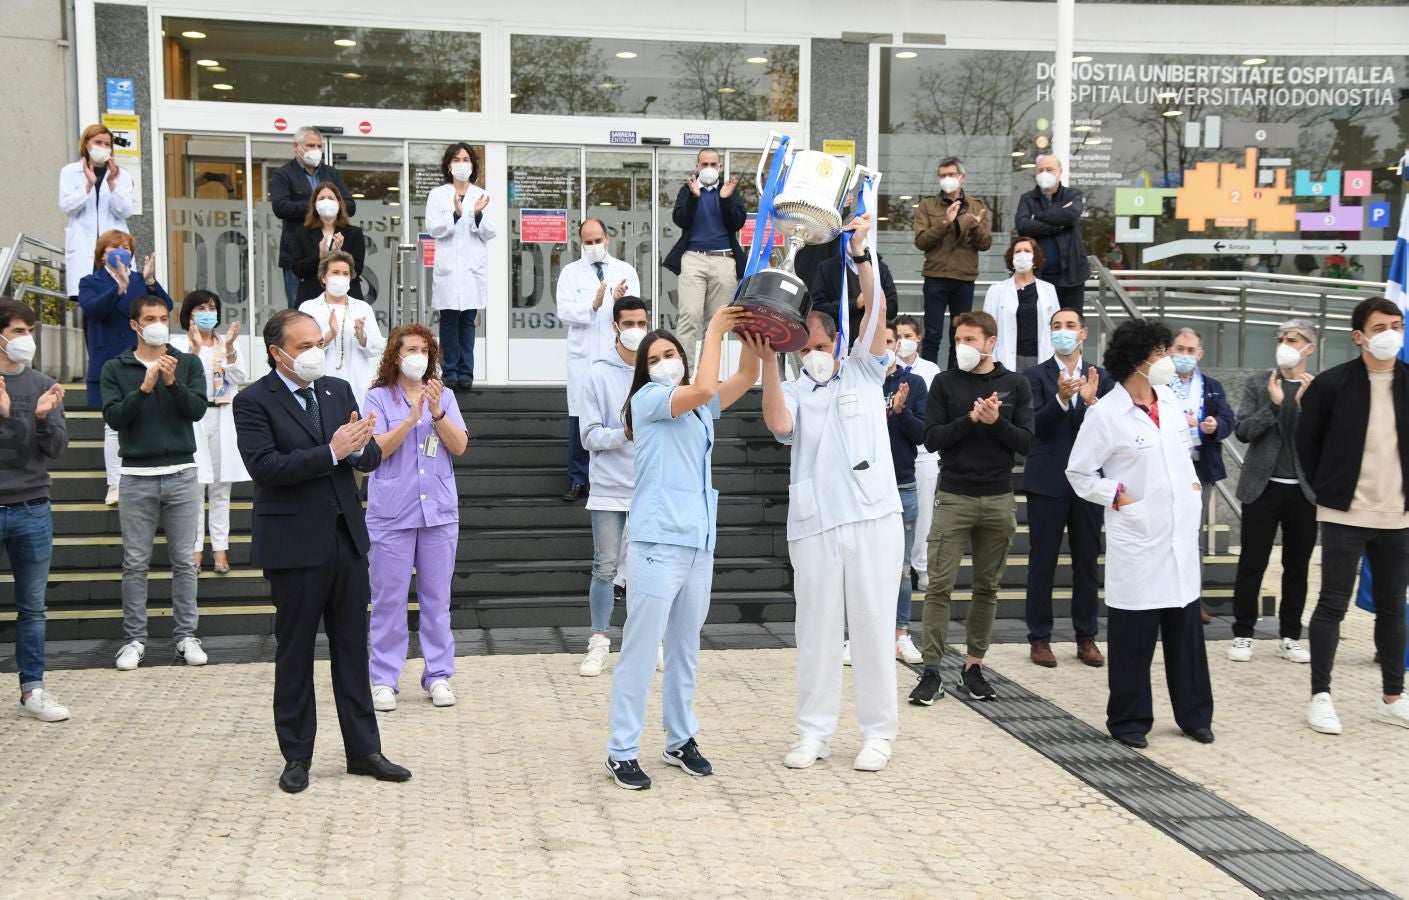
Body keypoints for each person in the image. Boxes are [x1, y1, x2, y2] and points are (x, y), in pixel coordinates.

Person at [233, 309, 410, 793]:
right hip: (293, 545)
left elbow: (369, 455)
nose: (316, 352)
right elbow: (265, 467)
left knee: (354, 649)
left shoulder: (336, 390)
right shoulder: (253, 401)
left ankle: (364, 750)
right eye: (305, 345)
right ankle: (296, 755)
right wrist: (331, 452)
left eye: (319, 343)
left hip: (346, 539)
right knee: (295, 653)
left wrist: (355, 448)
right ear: (278, 353)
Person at [757, 214, 904, 773]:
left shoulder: (865, 370)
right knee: (816, 633)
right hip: (816, 524)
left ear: (840, 340)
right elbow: (779, 425)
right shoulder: (794, 386)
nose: (816, 352)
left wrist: (861, 254)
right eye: (808, 345)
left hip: (872, 520)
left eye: (824, 342)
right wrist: (769, 358)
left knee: (870, 627)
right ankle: (813, 732)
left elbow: (877, 310)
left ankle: (877, 734)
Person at [604, 304, 760, 790]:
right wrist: (714, 329)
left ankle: (679, 739)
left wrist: (761, 341)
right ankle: (621, 749)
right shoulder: (650, 400)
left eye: (671, 354)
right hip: (655, 540)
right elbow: (707, 386)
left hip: (698, 540)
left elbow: (743, 377)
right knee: (640, 647)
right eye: (655, 357)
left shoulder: (697, 409)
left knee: (685, 649)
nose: (665, 361)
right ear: (644, 370)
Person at [1066, 319, 1214, 749]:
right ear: (1137, 361)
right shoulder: (1106, 414)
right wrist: (1118, 497)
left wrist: (1190, 490)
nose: (1168, 360)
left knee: (1186, 632)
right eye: (1160, 353)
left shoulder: (1167, 401)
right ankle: (1129, 719)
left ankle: (1194, 714)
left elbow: (1179, 456)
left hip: (1178, 535)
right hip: (1139, 536)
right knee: (1134, 635)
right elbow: (1078, 473)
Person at [1295, 296, 1409, 734]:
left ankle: (1393, 697)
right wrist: (1329, 489)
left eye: (1396, 325)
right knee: (1332, 605)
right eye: (1380, 327)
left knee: (1394, 609)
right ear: (1359, 335)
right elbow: (1308, 443)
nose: (1390, 335)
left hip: (1397, 515)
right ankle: (1321, 696)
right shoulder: (1332, 384)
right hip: (1345, 513)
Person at [911, 310, 1033, 706]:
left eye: (970, 339)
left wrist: (996, 421)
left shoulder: (1015, 383)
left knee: (988, 587)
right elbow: (931, 439)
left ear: (990, 342)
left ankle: (974, 666)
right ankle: (931, 672)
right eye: (958, 339)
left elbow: (1026, 442)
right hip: (953, 496)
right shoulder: (945, 383)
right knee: (939, 588)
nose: (962, 346)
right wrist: (971, 419)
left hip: (998, 497)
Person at [100, 295, 209, 672]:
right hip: (136, 477)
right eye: (150, 318)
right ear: (135, 324)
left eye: (163, 317)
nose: (158, 324)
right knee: (135, 563)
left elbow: (197, 409)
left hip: (181, 472)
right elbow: (114, 417)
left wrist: (172, 382)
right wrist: (144, 387)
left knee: (184, 561)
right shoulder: (117, 367)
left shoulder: (188, 362)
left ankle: (186, 636)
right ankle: (134, 639)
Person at [363, 325, 468, 711]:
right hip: (392, 514)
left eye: (425, 349)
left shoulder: (446, 396)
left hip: (438, 514)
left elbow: (459, 446)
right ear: (395, 355)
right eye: (410, 348)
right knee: (388, 599)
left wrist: (436, 412)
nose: (418, 355)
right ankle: (384, 679)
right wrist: (409, 419)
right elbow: (374, 451)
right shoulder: (377, 397)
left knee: (437, 599)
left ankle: (438, 675)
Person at [1021, 308, 1112, 668]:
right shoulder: (1034, 376)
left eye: (1069, 326)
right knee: (1041, 562)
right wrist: (1059, 400)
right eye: (1057, 326)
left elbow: (1112, 429)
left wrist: (1091, 401)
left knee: (1087, 562)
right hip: (1048, 480)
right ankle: (1039, 638)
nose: (1063, 332)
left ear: (1083, 333)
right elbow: (1032, 426)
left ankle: (1086, 637)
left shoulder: (1101, 377)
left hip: (1089, 483)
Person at [1228, 320, 1319, 664]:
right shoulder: (1258, 384)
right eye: (1280, 337)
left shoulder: (1321, 388)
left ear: (1309, 347)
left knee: (1297, 566)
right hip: (1262, 487)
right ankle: (1242, 633)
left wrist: (1300, 404)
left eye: (1292, 339)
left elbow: (1323, 440)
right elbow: (1244, 431)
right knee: (1252, 562)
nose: (1283, 343)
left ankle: (1290, 635)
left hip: (1304, 492)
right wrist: (1277, 405)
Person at [0, 298, 71, 722]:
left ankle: (33, 689)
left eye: (30, 331)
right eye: (18, 331)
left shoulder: (43, 383)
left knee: (32, 606)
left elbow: (57, 449)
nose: (26, 339)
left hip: (32, 507)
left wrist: (42, 418)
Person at [578, 297, 650, 676]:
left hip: (649, 486)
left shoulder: (658, 369)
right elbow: (588, 436)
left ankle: (646, 642)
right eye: (629, 322)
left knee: (646, 569)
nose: (636, 328)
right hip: (608, 486)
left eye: (642, 321)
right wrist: (624, 433)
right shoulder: (597, 374)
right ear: (615, 327)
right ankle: (599, 641)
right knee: (605, 566)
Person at [78, 230, 172, 506]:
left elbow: (164, 309)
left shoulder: (141, 282)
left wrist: (151, 281)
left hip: (142, 356)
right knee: (114, 425)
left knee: (150, 417)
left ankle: (149, 479)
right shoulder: (90, 281)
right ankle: (115, 483)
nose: (120, 251)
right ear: (102, 253)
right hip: (109, 358)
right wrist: (117, 288)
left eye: (125, 247)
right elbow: (93, 309)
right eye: (113, 247)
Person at [556, 219, 641, 502]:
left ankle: (609, 478)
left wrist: (618, 300)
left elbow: (635, 315)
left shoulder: (625, 271)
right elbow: (565, 311)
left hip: (617, 357)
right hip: (584, 356)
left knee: (615, 414)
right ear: (580, 242)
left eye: (597, 240)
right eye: (587, 242)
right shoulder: (570, 273)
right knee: (581, 416)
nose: (593, 246)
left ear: (607, 238)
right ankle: (579, 479)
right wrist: (592, 304)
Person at [169, 291, 250, 574]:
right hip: (193, 417)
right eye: (201, 307)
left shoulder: (225, 342)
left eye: (212, 307)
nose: (207, 312)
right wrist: (192, 350)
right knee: (194, 487)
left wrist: (228, 348)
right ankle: (194, 551)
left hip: (222, 414)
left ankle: (220, 551)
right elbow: (175, 379)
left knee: (220, 488)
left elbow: (239, 377)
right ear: (189, 313)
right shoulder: (177, 343)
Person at [1168, 327, 1234, 622]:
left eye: (1190, 350)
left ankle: (1193, 599)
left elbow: (1228, 421)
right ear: (1169, 350)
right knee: (1164, 531)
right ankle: (1164, 598)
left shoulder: (1212, 386)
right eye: (1179, 349)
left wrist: (1212, 426)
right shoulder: (1158, 383)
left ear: (1200, 354)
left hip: (1199, 467)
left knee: (1193, 534)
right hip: (1165, 465)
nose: (1184, 355)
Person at [661, 148, 746, 368]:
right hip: (693, 259)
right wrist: (694, 197)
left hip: (724, 261)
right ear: (697, 167)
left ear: (719, 167)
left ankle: (707, 377)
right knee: (689, 317)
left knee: (715, 324)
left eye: (713, 164)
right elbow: (680, 219)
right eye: (704, 164)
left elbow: (737, 222)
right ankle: (684, 376)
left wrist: (726, 199)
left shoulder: (729, 190)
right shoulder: (687, 190)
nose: (709, 168)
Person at [426, 142, 496, 391]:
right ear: (449, 165)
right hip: (448, 270)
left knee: (467, 321)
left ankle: (467, 373)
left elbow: (490, 232)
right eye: (457, 159)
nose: (462, 164)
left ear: (473, 165)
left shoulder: (482, 195)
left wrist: (476, 215)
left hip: (471, 271)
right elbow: (433, 227)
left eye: (466, 159)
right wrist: (455, 214)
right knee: (448, 321)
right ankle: (450, 372)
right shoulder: (437, 194)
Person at [913, 157, 992, 369]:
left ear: (962, 177)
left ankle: (956, 376)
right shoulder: (928, 204)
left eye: (951, 175)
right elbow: (921, 241)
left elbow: (985, 244)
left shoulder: (976, 206)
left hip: (964, 277)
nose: (946, 179)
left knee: (960, 335)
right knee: (932, 333)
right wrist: (945, 223)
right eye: (942, 175)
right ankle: (928, 378)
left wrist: (976, 227)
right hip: (936, 276)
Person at [269, 127, 358, 309]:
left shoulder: (330, 173)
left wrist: (333, 206)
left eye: (319, 145)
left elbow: (350, 205)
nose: (316, 150)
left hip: (333, 253)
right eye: (310, 145)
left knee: (337, 306)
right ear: (296, 146)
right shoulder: (283, 174)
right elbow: (280, 207)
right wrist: (317, 206)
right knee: (300, 308)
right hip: (300, 252)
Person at [881, 321, 928, 666]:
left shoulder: (914, 383)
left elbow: (922, 434)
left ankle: (901, 633)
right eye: (879, 341)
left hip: (902, 483)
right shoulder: (857, 380)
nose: (885, 347)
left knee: (901, 567)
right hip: (864, 487)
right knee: (863, 566)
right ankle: (860, 634)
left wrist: (901, 411)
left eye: (890, 341)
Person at [298, 250, 385, 406]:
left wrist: (362, 336)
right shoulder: (309, 307)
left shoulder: (362, 307)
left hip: (358, 383)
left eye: (345, 273)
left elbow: (377, 347)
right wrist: (331, 334)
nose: (340, 277)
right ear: (324, 277)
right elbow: (302, 348)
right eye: (335, 272)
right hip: (322, 381)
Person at [60, 124, 134, 299]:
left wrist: (111, 183)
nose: (103, 147)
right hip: (85, 248)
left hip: (113, 250)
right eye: (98, 142)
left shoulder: (121, 175)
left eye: (107, 144)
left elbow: (124, 211)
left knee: (117, 298)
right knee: (89, 302)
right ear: (86, 144)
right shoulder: (70, 172)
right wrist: (89, 184)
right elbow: (68, 207)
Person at [893, 315, 941, 589]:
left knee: (923, 516)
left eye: (908, 336)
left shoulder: (931, 370)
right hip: (897, 453)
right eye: (897, 336)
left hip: (924, 453)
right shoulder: (887, 369)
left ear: (919, 338)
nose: (902, 342)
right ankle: (896, 567)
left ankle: (920, 567)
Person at [1015, 155, 1090, 311]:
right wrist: (1057, 226)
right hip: (1038, 275)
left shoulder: (1073, 195)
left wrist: (1038, 217)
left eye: (1049, 169)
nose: (1045, 173)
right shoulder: (1028, 199)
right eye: (1041, 170)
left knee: (1071, 323)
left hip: (1071, 275)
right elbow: (1022, 226)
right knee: (1040, 324)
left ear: (1060, 172)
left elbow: (1070, 216)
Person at [983, 237, 1061, 372]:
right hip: (1006, 359)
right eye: (1017, 251)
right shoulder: (996, 291)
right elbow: (986, 331)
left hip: (1041, 359)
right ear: (1011, 258)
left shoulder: (1049, 290)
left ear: (1035, 258)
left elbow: (1057, 328)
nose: (1022, 255)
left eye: (1027, 251)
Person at [290, 182, 367, 305]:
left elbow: (357, 269)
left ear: (339, 203)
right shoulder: (302, 233)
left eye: (331, 198)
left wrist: (338, 255)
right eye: (321, 198)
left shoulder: (354, 233)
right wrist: (320, 256)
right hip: (311, 296)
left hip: (348, 297)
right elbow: (297, 269)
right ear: (315, 204)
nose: (326, 201)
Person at [807, 243, 899, 345]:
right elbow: (818, 308)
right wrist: (855, 304)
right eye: (851, 234)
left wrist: (876, 300)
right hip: (838, 343)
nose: (855, 239)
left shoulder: (880, 269)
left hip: (872, 343)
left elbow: (892, 310)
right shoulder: (827, 268)